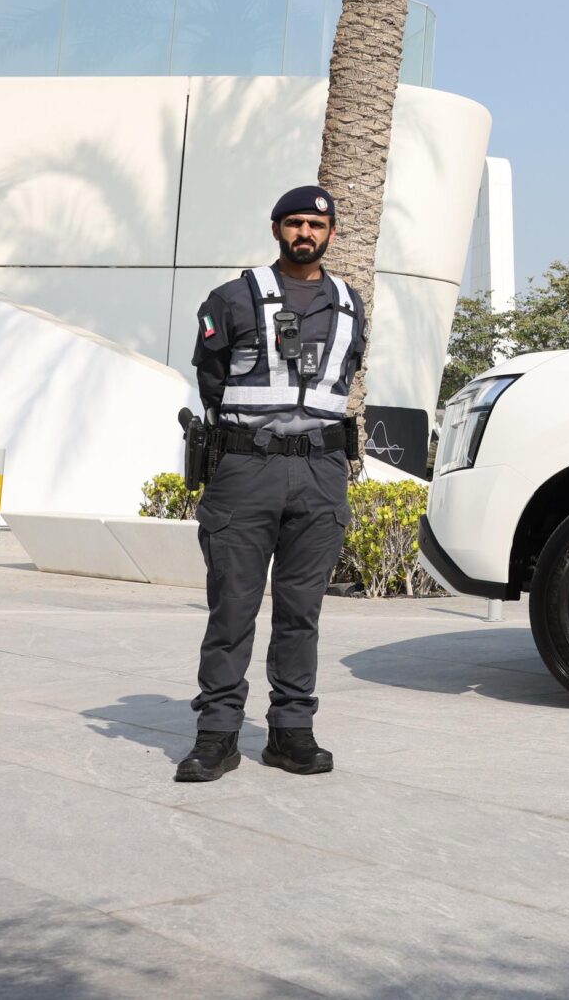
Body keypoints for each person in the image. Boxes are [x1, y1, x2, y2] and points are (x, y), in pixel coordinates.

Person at [172, 185, 366, 784]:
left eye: (316, 224)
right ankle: (217, 735)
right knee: (232, 608)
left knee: (301, 612)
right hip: (246, 468)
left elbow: (345, 374)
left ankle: (291, 732)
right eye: (295, 223)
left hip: (321, 472)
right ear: (277, 228)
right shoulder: (232, 297)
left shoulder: (350, 303)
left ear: (331, 233)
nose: (305, 233)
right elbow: (211, 379)